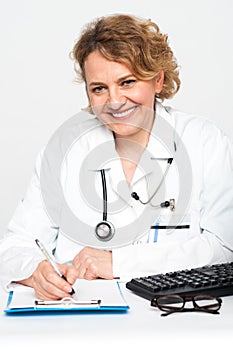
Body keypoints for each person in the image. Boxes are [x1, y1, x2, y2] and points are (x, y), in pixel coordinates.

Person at [0, 14, 232, 300]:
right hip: (77, 315)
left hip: (173, 317)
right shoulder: (64, 149)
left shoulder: (203, 141)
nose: (114, 101)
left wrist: (118, 262)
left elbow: (224, 247)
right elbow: (16, 244)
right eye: (99, 88)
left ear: (157, 80)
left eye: (127, 82)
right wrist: (34, 271)